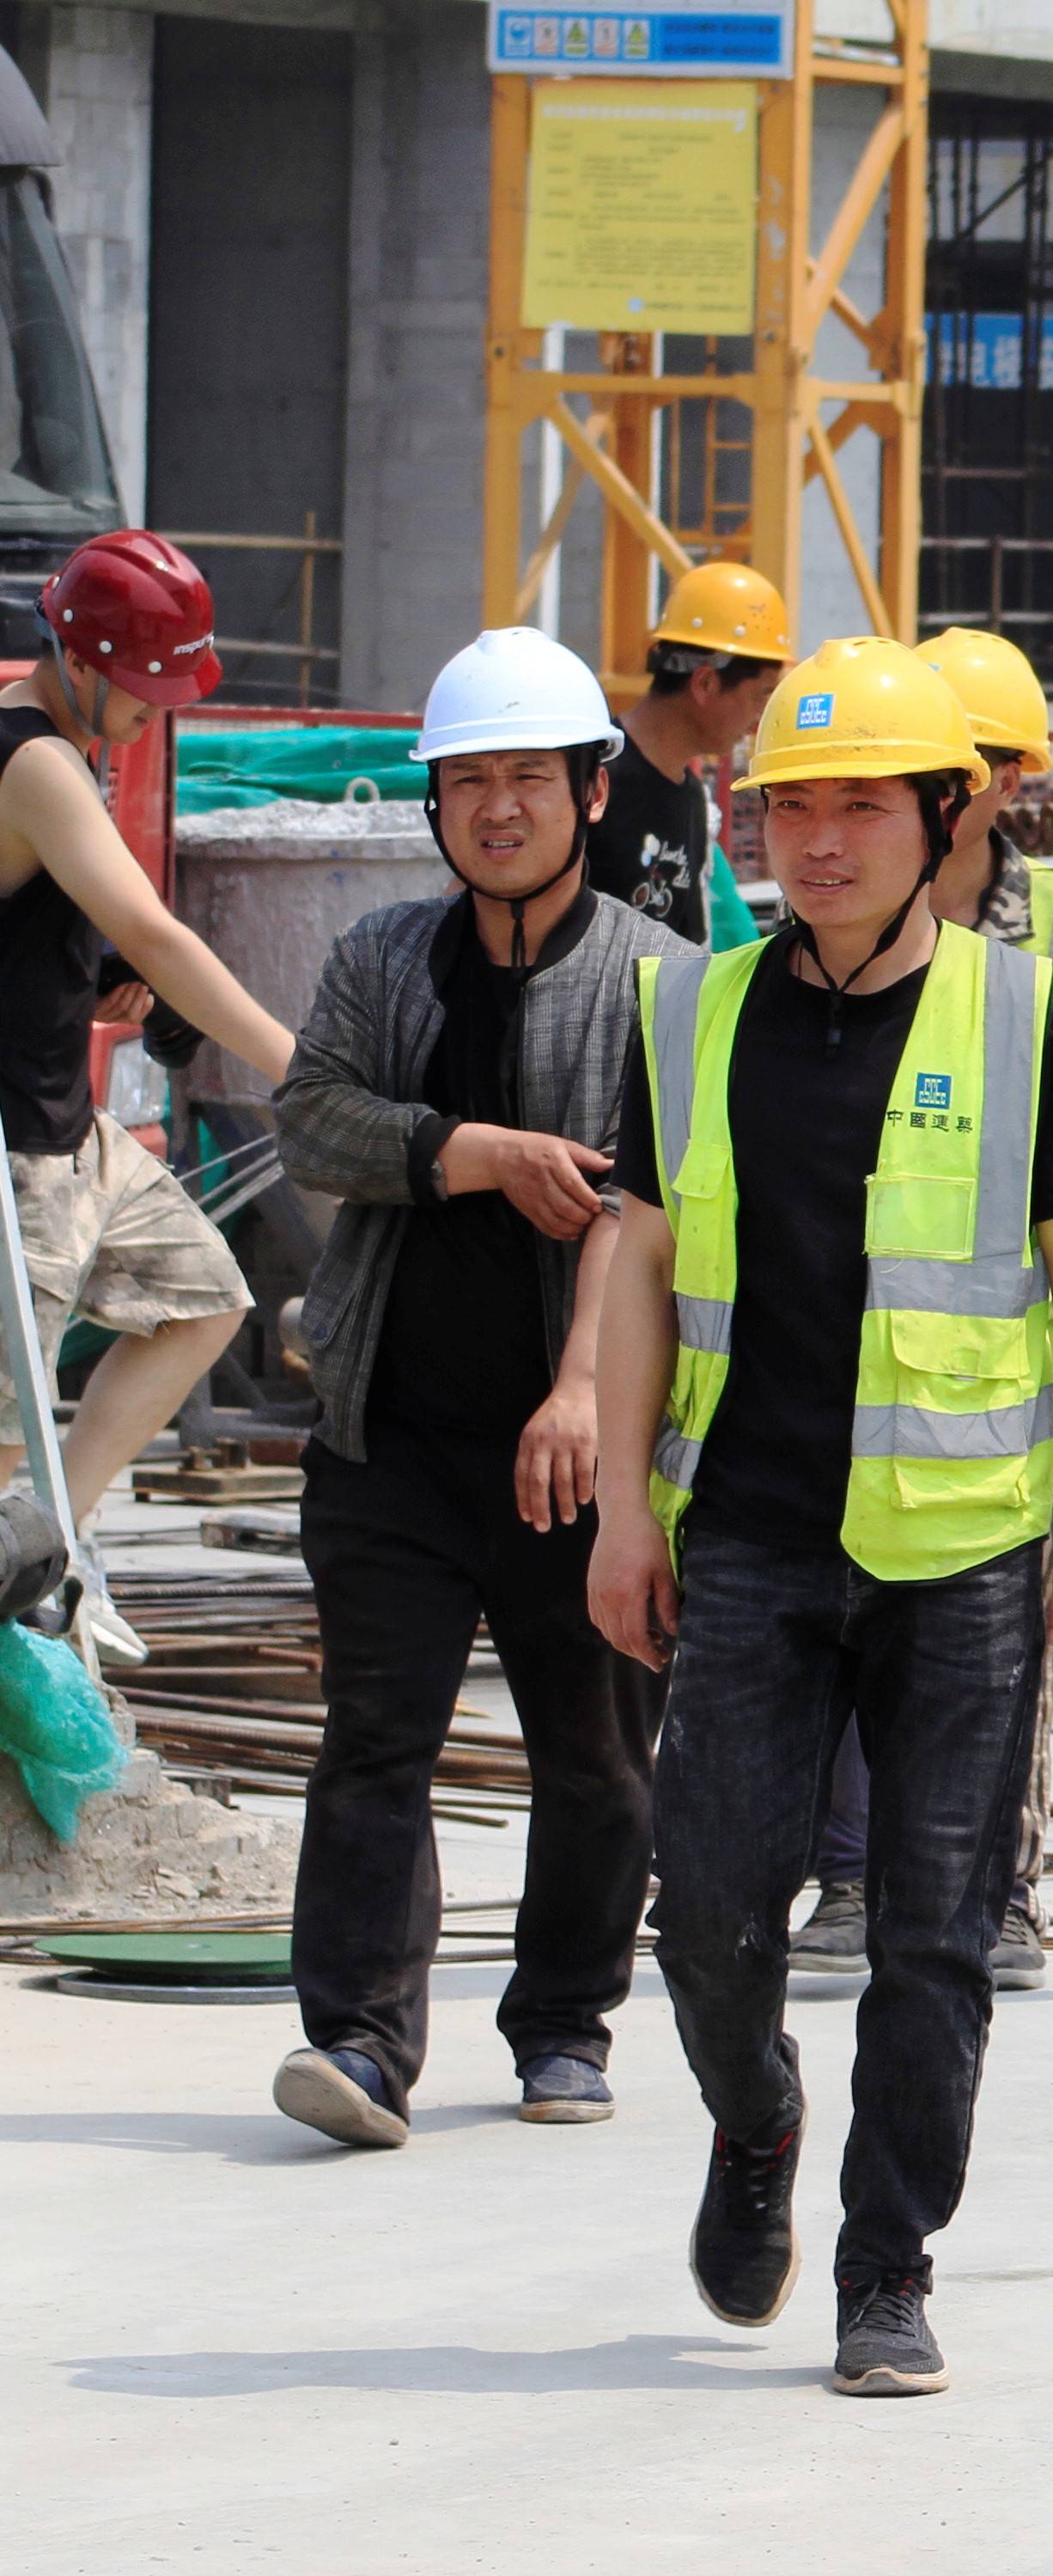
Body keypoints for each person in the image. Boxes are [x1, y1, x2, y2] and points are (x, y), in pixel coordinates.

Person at [587, 635, 1053, 2396]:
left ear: (944, 818)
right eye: (792, 806)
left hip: (964, 1546)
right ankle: (755, 2121)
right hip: (746, 1535)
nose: (818, 841)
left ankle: (885, 2264)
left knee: (932, 1930)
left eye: (858, 807)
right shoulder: (689, 1008)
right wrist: (622, 1509)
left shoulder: (1018, 1010)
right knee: (711, 1915)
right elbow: (640, 1261)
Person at [264, 629, 678, 2152]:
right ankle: (363, 2045)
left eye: (527, 778)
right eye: (468, 782)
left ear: (589, 789)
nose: (497, 808)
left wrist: (583, 1392)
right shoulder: (382, 960)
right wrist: (473, 1153)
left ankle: (564, 2021)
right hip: (394, 1440)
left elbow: (656, 1211)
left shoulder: (663, 981)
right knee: (378, 1738)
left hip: (588, 1451)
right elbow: (311, 1119)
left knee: (596, 1753)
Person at [776, 625, 1053, 1992]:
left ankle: (999, 1886)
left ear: (1000, 783)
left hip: (1018, 1340)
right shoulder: (812, 915)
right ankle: (852, 1874)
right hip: (843, 1341)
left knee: (1014, 1625)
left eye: (964, 769)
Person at [0, 528, 300, 1659]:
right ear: (77, 657)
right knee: (2, 1426)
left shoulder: (69, 761)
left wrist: (94, 996)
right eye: (139, 690)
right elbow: (153, 932)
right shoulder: (30, 761)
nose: (150, 713)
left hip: (70, 1142)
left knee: (205, 1298)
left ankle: (47, 1547)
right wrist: (295, 1063)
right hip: (14, 1163)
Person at [600, 561, 788, 947]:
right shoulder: (591, 778)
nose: (757, 721)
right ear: (705, 682)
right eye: (760, 696)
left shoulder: (694, 802)